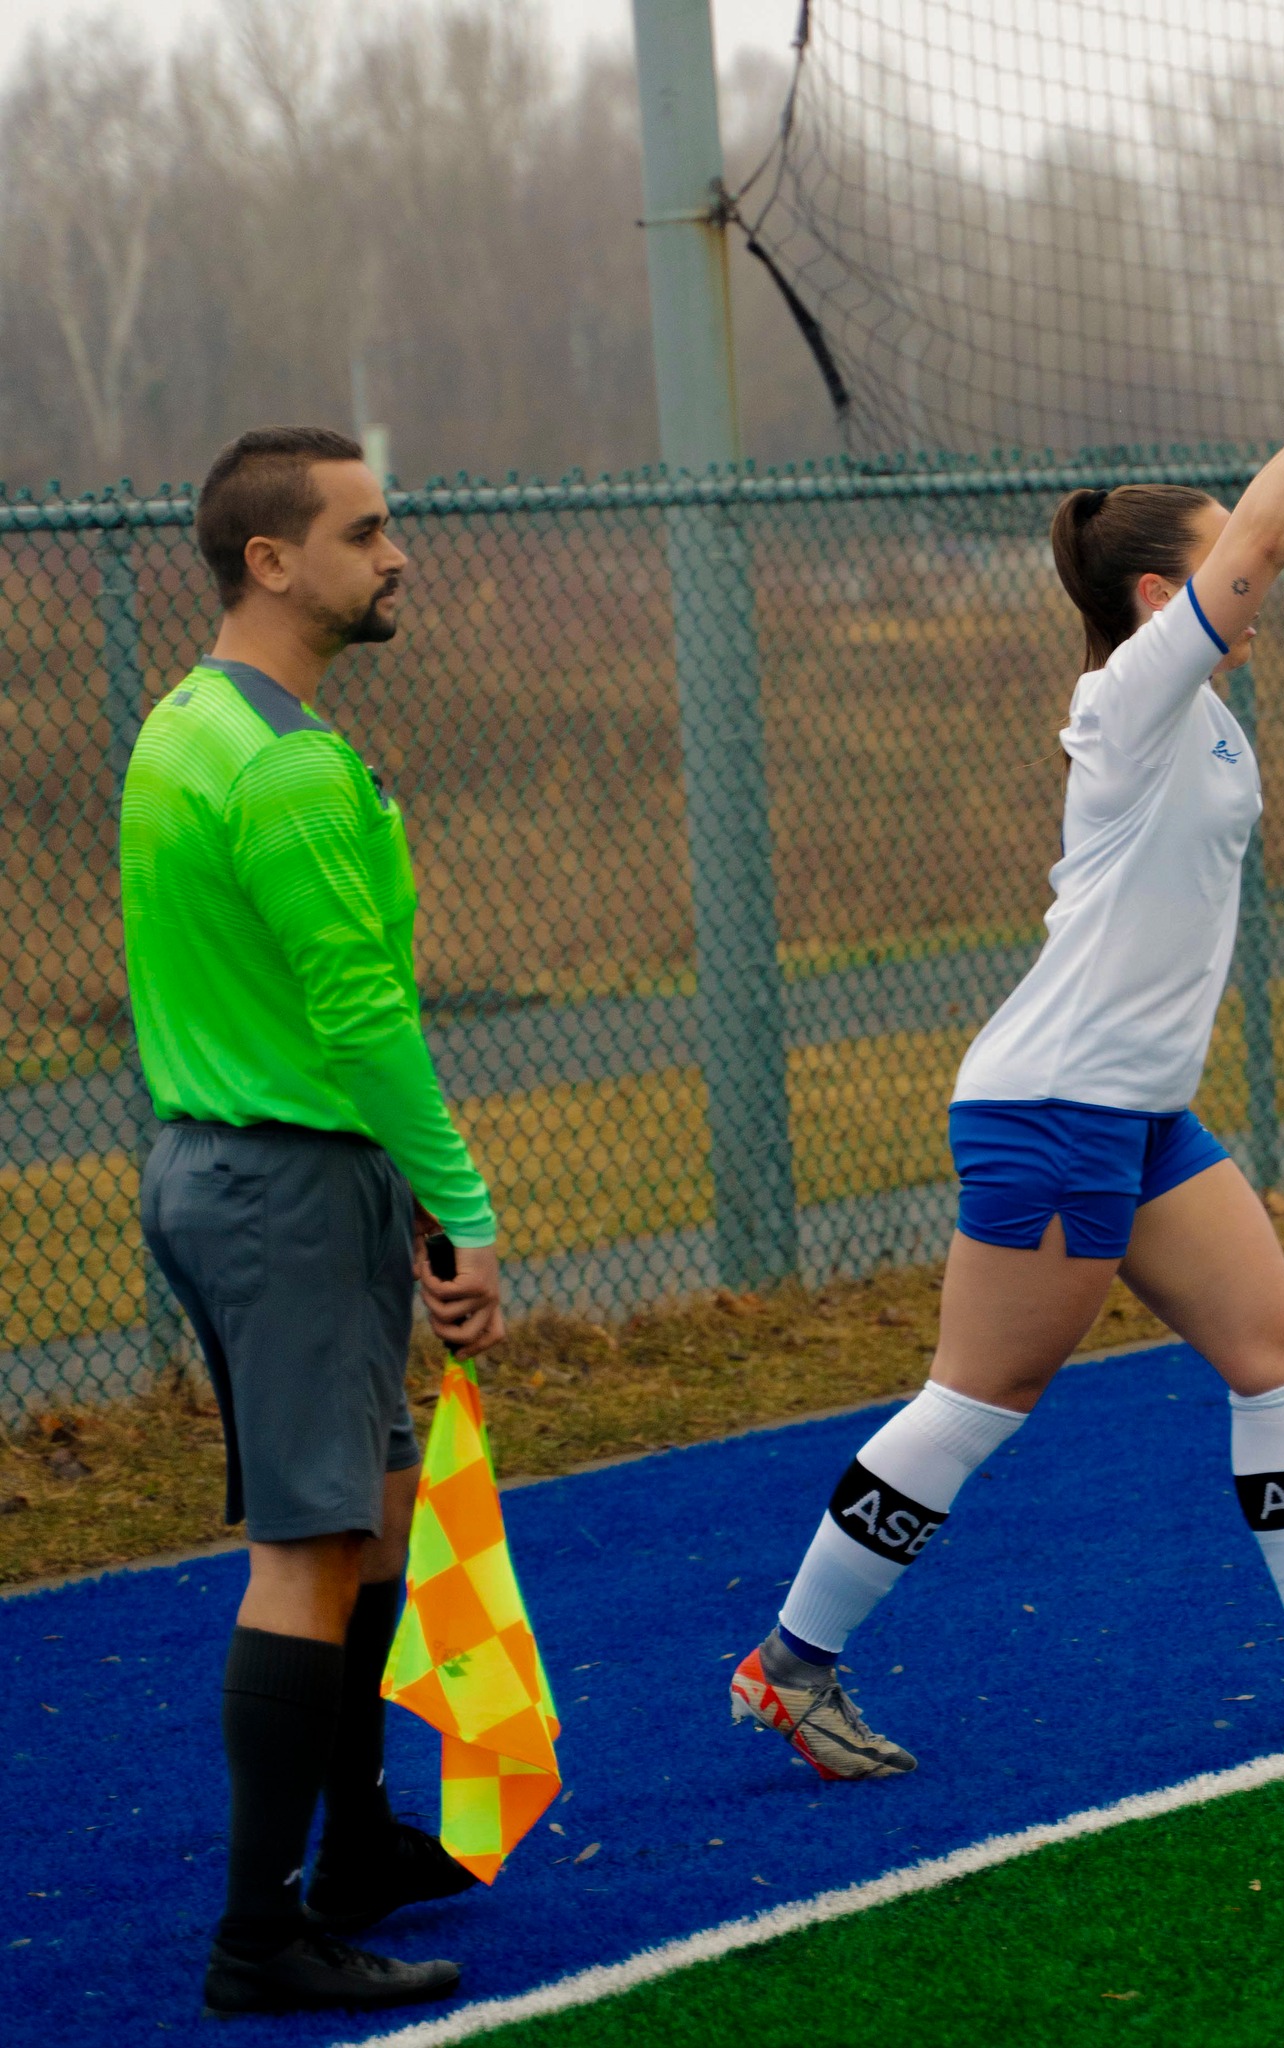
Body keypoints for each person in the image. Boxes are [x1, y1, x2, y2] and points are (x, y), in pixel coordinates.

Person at [727, 286, 1284, 1781]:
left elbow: (1251, 554)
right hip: (1054, 1107)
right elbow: (1267, 535)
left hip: (1138, 1113)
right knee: (978, 1397)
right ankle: (787, 1665)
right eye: (1217, 567)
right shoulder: (1136, 692)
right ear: (1161, 596)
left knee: (1276, 1351)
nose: (1249, 583)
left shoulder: (1194, 704)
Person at [121, 427, 505, 2014]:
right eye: (363, 532)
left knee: (382, 1508)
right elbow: (358, 1018)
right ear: (270, 561)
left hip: (235, 1171)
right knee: (308, 1551)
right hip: (282, 1186)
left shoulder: (187, 722)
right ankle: (260, 1939)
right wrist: (460, 1205)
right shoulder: (282, 765)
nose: (394, 554)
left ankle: (352, 1852)